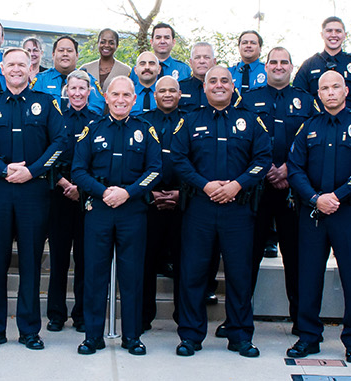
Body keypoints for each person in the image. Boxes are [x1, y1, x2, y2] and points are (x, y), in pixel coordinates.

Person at [0, 48, 69, 350]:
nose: (16, 69)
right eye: (10, 64)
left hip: (34, 191)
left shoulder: (46, 103)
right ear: (2, 68)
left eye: (21, 65)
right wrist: (2, 168)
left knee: (30, 261)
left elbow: (61, 142)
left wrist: (33, 170)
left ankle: (29, 330)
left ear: (31, 70)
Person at [172, 66, 270, 358]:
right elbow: (179, 158)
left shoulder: (250, 121)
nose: (218, 85)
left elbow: (263, 158)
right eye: (212, 81)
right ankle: (190, 336)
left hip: (238, 209)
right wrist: (205, 185)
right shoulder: (190, 121)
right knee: (193, 273)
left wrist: (237, 185)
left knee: (239, 274)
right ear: (204, 87)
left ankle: (240, 336)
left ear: (233, 86)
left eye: (224, 81)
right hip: (200, 208)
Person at [287, 70, 351, 362]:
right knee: (309, 277)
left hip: (348, 211)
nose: (330, 92)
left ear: (346, 90)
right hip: (313, 213)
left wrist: (336, 196)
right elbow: (295, 168)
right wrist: (316, 198)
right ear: (318, 93)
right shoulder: (308, 127)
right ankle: (308, 337)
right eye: (324, 88)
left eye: (335, 87)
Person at [73, 76, 163, 356]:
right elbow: (78, 171)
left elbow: (155, 169)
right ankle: (92, 336)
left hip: (132, 210)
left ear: (134, 99)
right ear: (106, 97)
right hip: (99, 210)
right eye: (116, 95)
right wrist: (103, 192)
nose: (121, 100)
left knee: (132, 275)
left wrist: (128, 192)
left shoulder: (145, 129)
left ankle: (132, 337)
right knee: (94, 274)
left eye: (127, 95)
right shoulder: (92, 129)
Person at [240, 46, 316, 320]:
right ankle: (239, 318)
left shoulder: (306, 101)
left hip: (292, 192)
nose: (279, 66)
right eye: (274, 62)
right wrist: (265, 169)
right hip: (257, 191)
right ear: (266, 67)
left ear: (292, 67)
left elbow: (311, 142)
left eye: (285, 62)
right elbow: (241, 142)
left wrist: (287, 169)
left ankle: (300, 319)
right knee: (248, 257)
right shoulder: (248, 100)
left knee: (296, 257)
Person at [45, 71, 99, 332]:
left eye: (82, 88)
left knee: (85, 259)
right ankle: (56, 314)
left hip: (88, 199)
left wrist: (83, 187)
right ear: (66, 90)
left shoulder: (98, 121)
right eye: (73, 88)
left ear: (90, 91)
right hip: (59, 195)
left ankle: (81, 315)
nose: (77, 93)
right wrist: (65, 184)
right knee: (58, 259)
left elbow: (100, 161)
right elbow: (47, 156)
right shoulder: (56, 119)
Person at [138, 76, 186, 329]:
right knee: (145, 262)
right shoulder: (143, 122)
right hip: (149, 203)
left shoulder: (189, 121)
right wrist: (149, 194)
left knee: (184, 264)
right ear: (154, 94)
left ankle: (183, 318)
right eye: (162, 90)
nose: (167, 94)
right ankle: (144, 317)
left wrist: (181, 193)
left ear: (180, 94)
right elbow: (137, 164)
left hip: (183, 204)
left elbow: (196, 161)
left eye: (172, 90)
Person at [294, 16, 351, 114]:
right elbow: (299, 97)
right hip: (317, 124)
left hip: (350, 124)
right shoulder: (308, 65)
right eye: (329, 31)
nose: (334, 35)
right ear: (322, 35)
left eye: (338, 31)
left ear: (345, 35)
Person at [33, 36, 105, 113]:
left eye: (69, 51)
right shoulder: (41, 80)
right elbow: (32, 106)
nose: (65, 54)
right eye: (61, 50)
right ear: (53, 55)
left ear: (77, 55)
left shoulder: (89, 80)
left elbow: (96, 109)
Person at [178, 42, 215, 111]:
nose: (202, 61)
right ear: (191, 62)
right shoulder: (179, 88)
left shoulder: (223, 88)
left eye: (206, 57)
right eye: (197, 58)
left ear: (214, 62)